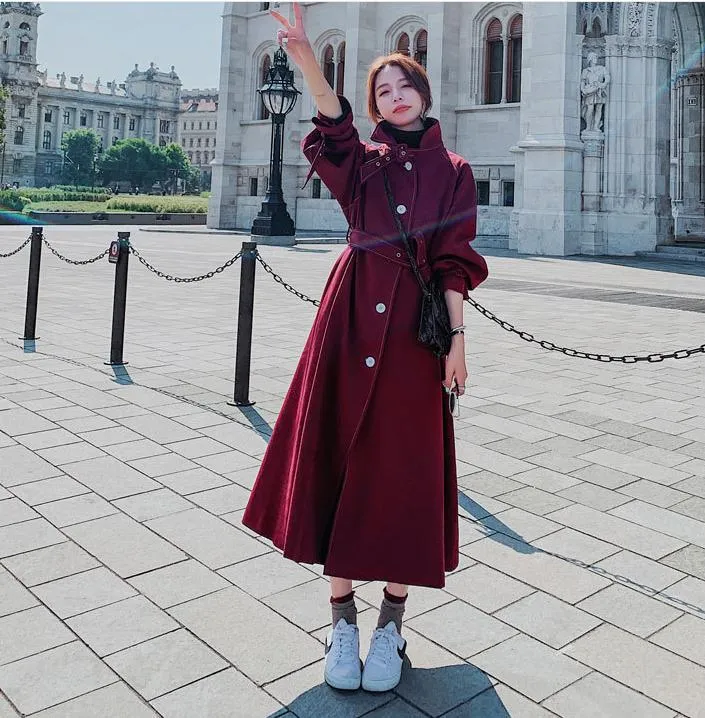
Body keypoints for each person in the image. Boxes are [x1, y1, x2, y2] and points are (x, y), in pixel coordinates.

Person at [242, 1, 488, 694]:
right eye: (381, 89)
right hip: (348, 321)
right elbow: (329, 120)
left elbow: (452, 260)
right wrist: (303, 59)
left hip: (415, 334)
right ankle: (341, 621)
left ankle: (391, 624)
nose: (393, 94)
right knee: (337, 465)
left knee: (402, 473)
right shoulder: (360, 161)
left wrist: (457, 344)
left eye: (402, 83)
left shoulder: (456, 170)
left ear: (424, 93)